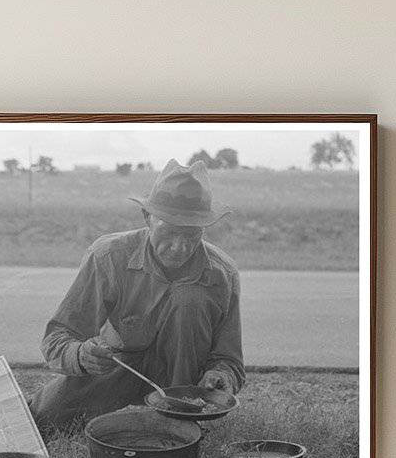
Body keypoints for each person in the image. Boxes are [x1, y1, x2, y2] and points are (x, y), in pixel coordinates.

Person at [29, 158, 245, 428]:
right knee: (46, 415)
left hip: (185, 381)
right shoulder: (109, 256)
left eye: (192, 235)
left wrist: (221, 376)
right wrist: (81, 355)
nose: (179, 247)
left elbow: (230, 360)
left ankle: (181, 419)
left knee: (189, 299)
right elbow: (57, 337)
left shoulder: (222, 273)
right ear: (148, 219)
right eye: (169, 232)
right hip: (119, 364)